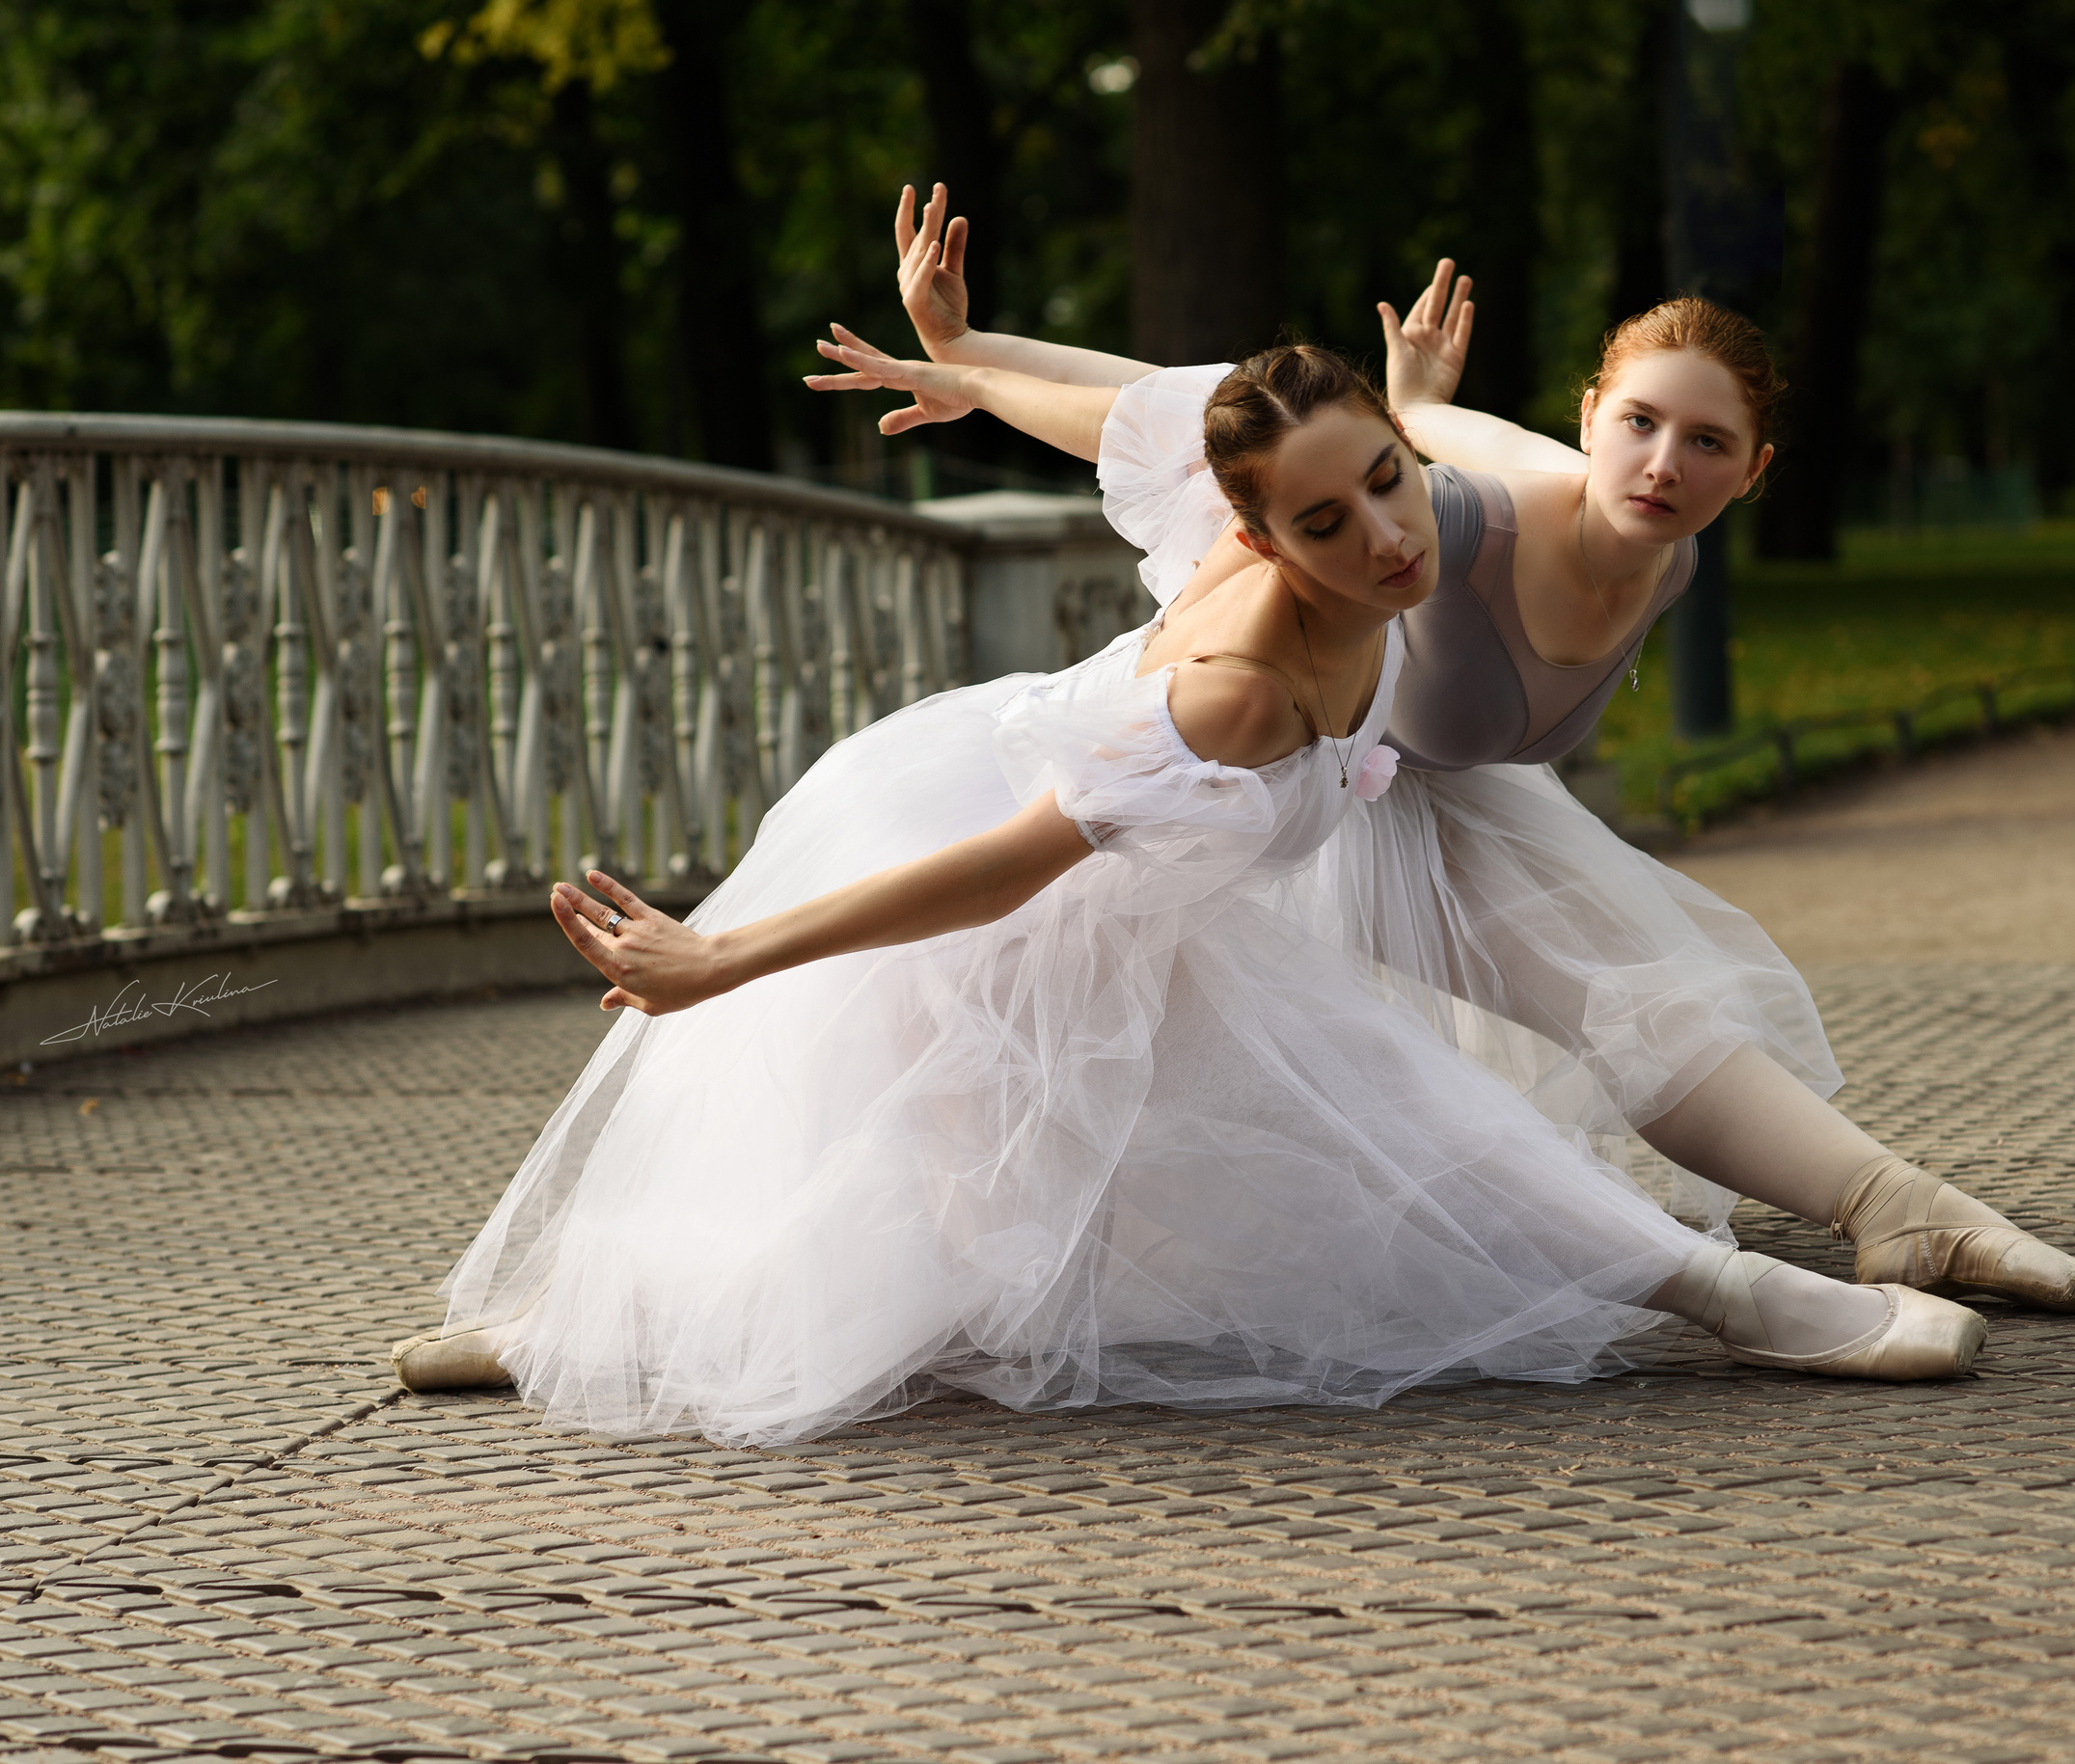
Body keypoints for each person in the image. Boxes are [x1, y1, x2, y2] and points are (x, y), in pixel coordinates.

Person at [391, 341, 1985, 1443]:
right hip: (995, 904)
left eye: (1388, 477)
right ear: (1254, 529)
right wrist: (725, 953)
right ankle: (1748, 1300)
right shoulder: (1231, 688)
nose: (1383, 538)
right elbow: (996, 870)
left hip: (1156, 899)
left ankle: (1742, 1296)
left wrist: (958, 366)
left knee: (1162, 1189)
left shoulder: (1325, 483)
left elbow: (1112, 416)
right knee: (971, 1231)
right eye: (1323, 522)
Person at [884, 184, 2075, 1324]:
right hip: (1285, 799)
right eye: (1636, 423)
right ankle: (1830, 1243)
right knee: (1301, 1137)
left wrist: (1413, 391)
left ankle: (1898, 1212)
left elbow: (1416, 414)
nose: (1664, 465)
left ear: (1755, 470)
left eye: (1707, 443)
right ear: (1586, 419)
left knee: (1639, 1002)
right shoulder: (1467, 512)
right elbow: (1202, 422)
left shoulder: (1664, 549)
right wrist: (978, 365)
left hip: (1444, 804)